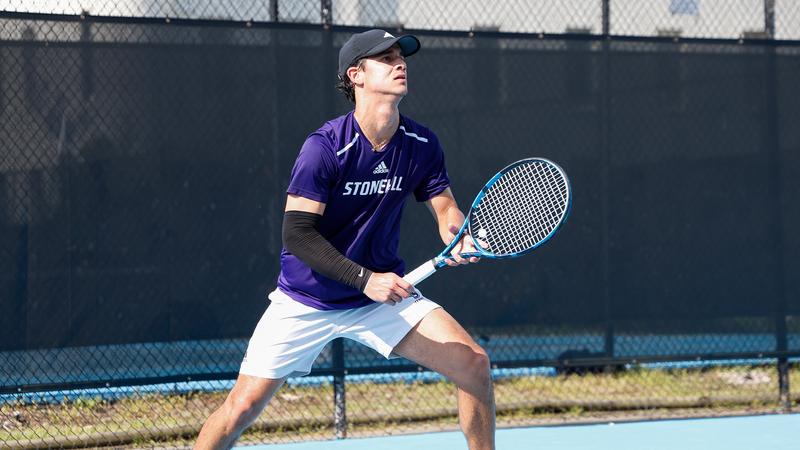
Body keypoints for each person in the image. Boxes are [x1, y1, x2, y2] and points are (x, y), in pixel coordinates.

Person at [194, 29, 495, 450]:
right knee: (241, 408)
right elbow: (297, 234)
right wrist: (364, 278)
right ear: (356, 75)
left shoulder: (421, 144)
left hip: (380, 300)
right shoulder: (324, 148)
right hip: (307, 299)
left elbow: (444, 206)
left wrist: (455, 231)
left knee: (474, 364)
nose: (399, 64)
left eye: (401, 57)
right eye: (385, 58)